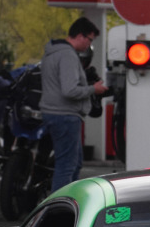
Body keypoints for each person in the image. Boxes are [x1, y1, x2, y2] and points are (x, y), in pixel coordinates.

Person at [40, 17, 108, 191]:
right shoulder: (68, 55)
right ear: (80, 36)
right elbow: (69, 90)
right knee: (66, 166)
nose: (89, 45)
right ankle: (61, 210)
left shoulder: (52, 52)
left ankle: (69, 202)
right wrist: (94, 89)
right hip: (65, 116)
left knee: (75, 163)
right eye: (90, 40)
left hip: (53, 113)